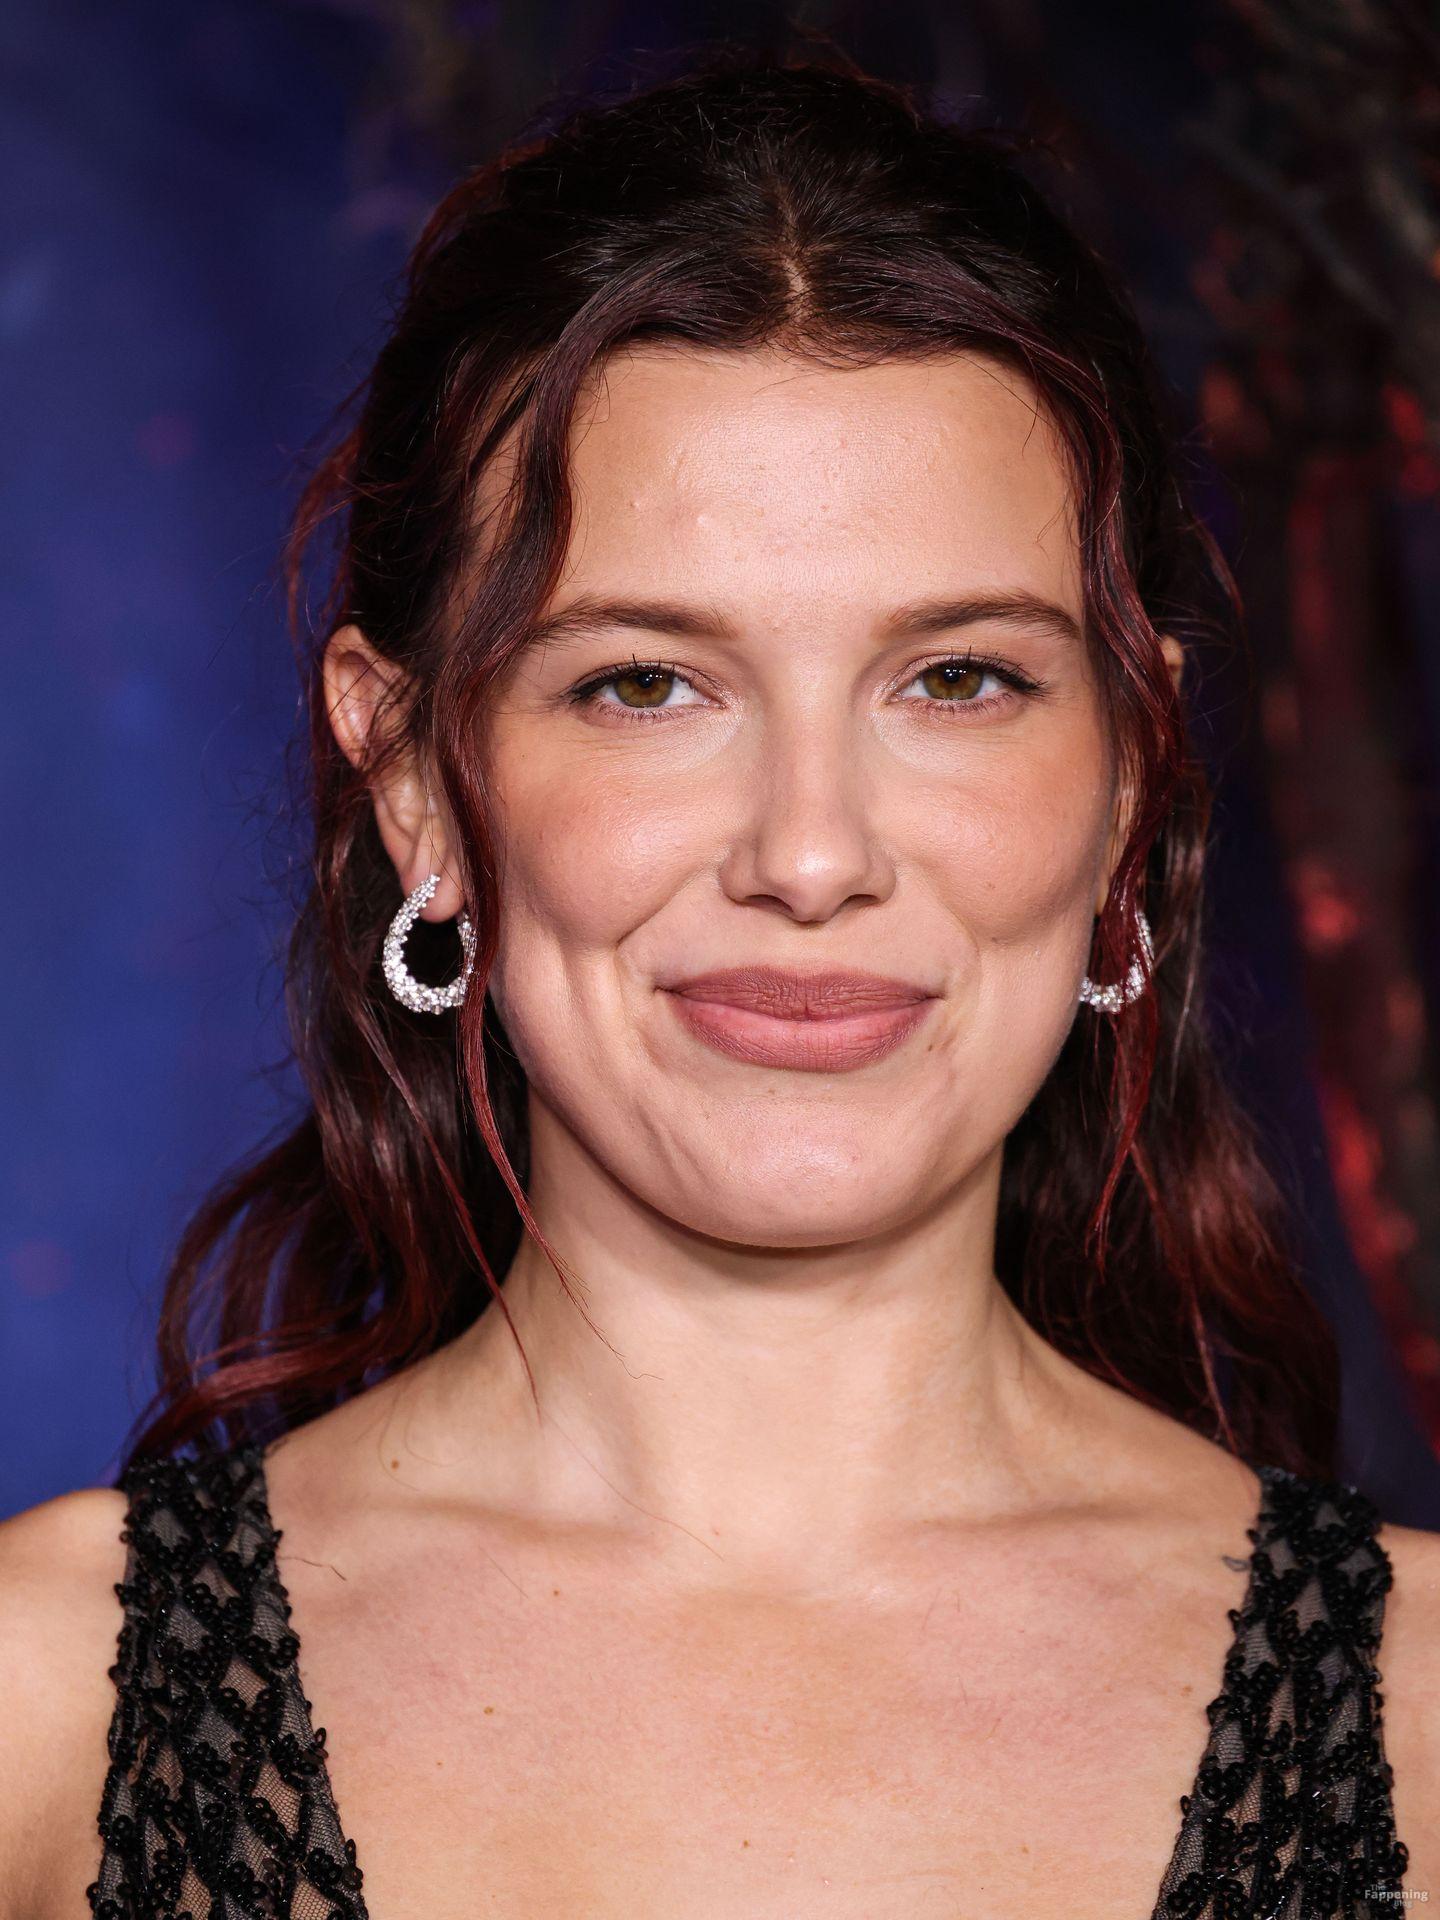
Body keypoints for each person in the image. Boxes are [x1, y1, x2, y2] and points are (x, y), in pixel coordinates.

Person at [2, 45, 1436, 1920]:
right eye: (647, 684)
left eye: (959, 680)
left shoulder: (1423, 1717)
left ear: (1131, 775)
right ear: (417, 780)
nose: (812, 854)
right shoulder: (46, 1704)